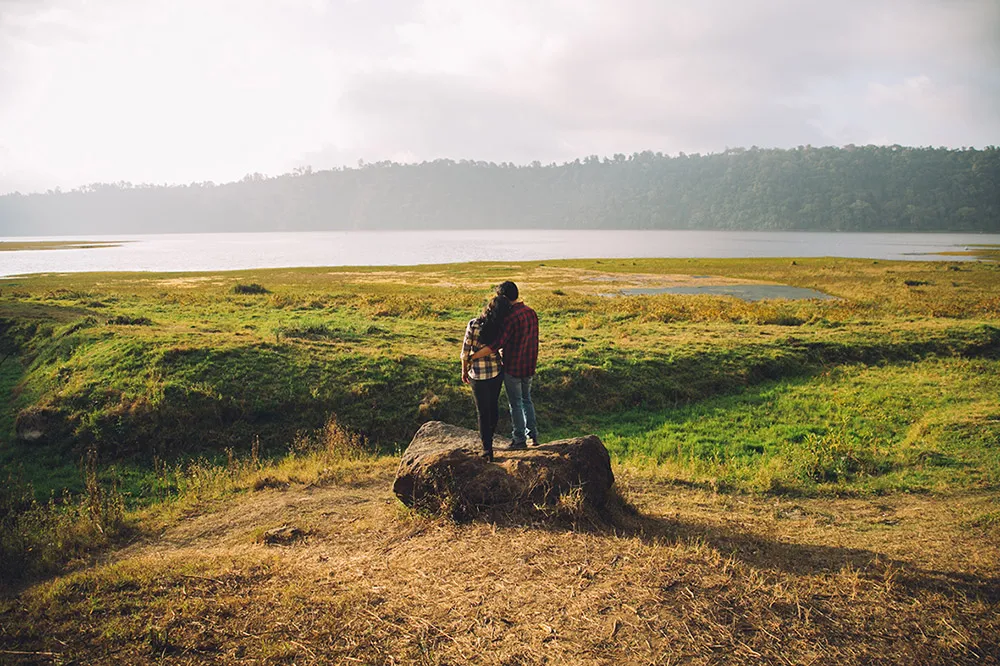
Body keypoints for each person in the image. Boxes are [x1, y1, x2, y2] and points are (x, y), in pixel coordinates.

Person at [471, 281, 539, 449]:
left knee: (515, 404)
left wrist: (473, 356)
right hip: (529, 364)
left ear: (504, 297)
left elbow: (496, 345)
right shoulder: (531, 312)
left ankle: (519, 439)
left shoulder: (510, 317)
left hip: (513, 366)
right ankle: (533, 436)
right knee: (527, 400)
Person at [460, 294, 510, 462]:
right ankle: (490, 437)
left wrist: (464, 370)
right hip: (495, 371)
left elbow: (465, 351)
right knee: (493, 405)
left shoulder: (473, 324)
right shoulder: (501, 327)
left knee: (482, 411)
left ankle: (487, 448)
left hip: (477, 373)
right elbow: (500, 348)